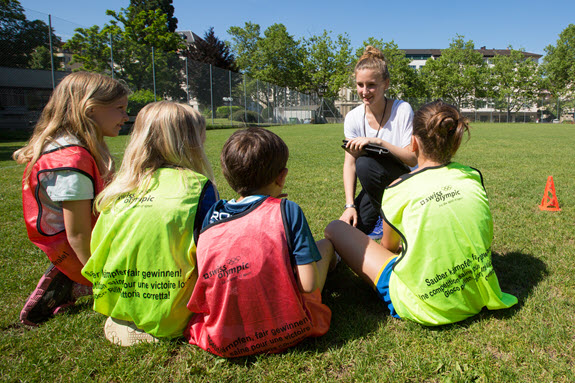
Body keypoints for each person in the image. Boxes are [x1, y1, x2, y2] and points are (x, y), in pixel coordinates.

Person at [325, 100, 518, 326]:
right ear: (454, 142)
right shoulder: (472, 176)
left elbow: (388, 248)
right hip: (477, 294)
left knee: (335, 228)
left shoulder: (397, 188)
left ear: (413, 142)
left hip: (425, 305)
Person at [185, 127, 336, 358]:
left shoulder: (212, 215)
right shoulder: (288, 210)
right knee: (325, 246)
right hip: (288, 328)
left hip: (224, 339)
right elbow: (308, 284)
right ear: (281, 176)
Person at [82, 101, 218, 346]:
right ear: (189, 142)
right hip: (174, 316)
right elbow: (212, 256)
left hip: (118, 308)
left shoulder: (117, 190)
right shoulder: (196, 187)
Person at [13, 72, 130, 326]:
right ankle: (75, 281)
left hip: (77, 241)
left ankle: (72, 281)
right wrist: (102, 282)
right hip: (70, 247)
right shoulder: (71, 160)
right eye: (119, 109)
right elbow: (77, 233)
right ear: (90, 109)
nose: (125, 116)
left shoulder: (74, 147)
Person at [341, 46, 417, 239]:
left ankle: (390, 221)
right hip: (375, 187)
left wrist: (378, 142)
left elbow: (411, 158)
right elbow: (349, 164)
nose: (364, 91)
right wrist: (350, 205)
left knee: (364, 164)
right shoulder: (352, 118)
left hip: (406, 182)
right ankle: (381, 218)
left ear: (386, 84)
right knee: (351, 229)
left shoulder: (402, 110)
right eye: (360, 85)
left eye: (371, 85)